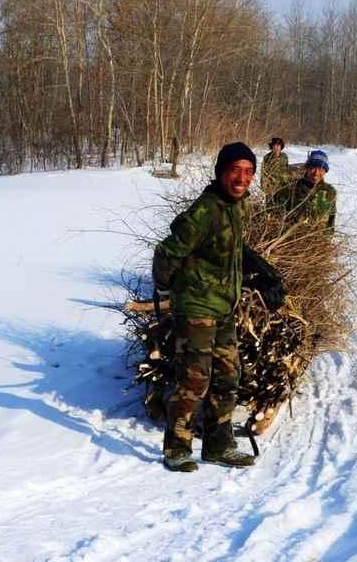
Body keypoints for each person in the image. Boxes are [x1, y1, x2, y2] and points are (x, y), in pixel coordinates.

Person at [152, 142, 284, 472]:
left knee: (228, 376)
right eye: (235, 170)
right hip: (197, 308)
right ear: (221, 172)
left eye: (249, 172)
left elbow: (233, 247)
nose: (242, 178)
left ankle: (218, 445)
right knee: (195, 380)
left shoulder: (234, 206)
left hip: (224, 305)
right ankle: (177, 448)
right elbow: (166, 252)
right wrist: (171, 288)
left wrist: (264, 273)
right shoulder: (206, 210)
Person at [273, 149, 336, 232]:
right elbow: (275, 213)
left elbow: (331, 222)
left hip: (318, 242)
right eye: (313, 168)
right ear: (307, 168)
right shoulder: (291, 187)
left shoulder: (330, 192)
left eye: (321, 169)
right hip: (292, 240)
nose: (316, 173)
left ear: (325, 171)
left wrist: (327, 240)